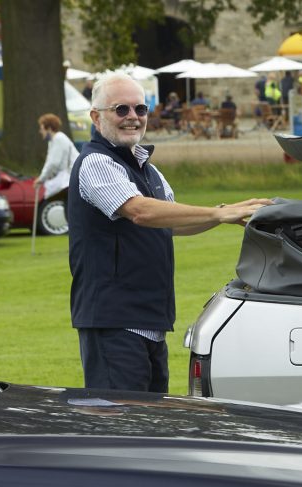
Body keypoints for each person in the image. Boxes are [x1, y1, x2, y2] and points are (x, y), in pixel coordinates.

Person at [67, 72, 271, 393]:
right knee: (124, 430)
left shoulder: (148, 168)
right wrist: (217, 212)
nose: (133, 117)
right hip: (114, 323)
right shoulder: (96, 162)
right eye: (121, 109)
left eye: (141, 109)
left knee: (153, 430)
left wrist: (224, 215)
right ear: (96, 117)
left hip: (150, 323)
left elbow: (171, 222)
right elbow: (140, 211)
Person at [35, 113, 79, 200]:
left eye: (42, 128)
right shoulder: (53, 141)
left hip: (71, 180)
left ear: (49, 129)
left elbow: (53, 164)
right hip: (69, 180)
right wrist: (42, 177)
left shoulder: (59, 139)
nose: (40, 132)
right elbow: (50, 162)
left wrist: (41, 179)